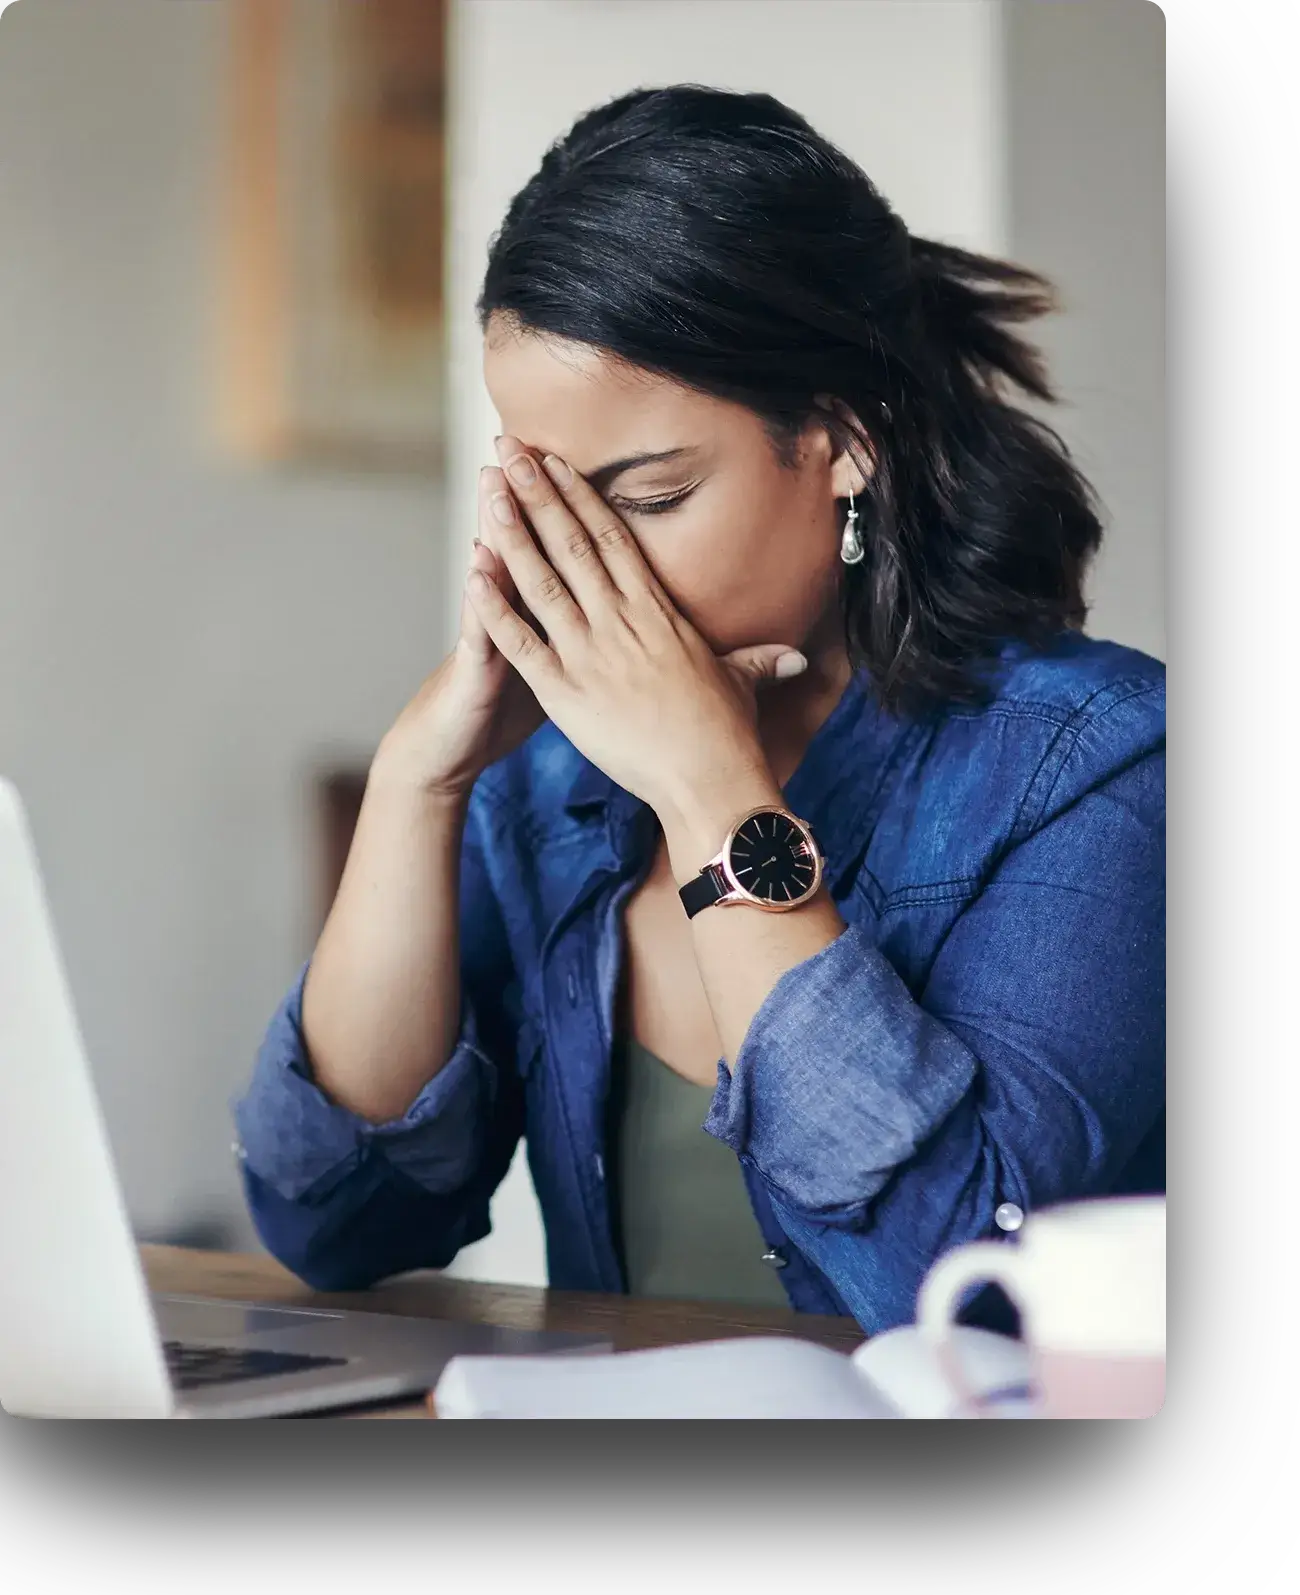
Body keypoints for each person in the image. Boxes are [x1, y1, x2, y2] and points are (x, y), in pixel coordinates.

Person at [233, 85, 1165, 1336]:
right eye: (558, 503)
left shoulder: (1094, 765)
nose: (592, 570)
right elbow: (333, 1222)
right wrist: (422, 781)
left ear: (843, 440)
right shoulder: (548, 786)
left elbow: (947, 1287)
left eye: (654, 495)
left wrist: (708, 786)